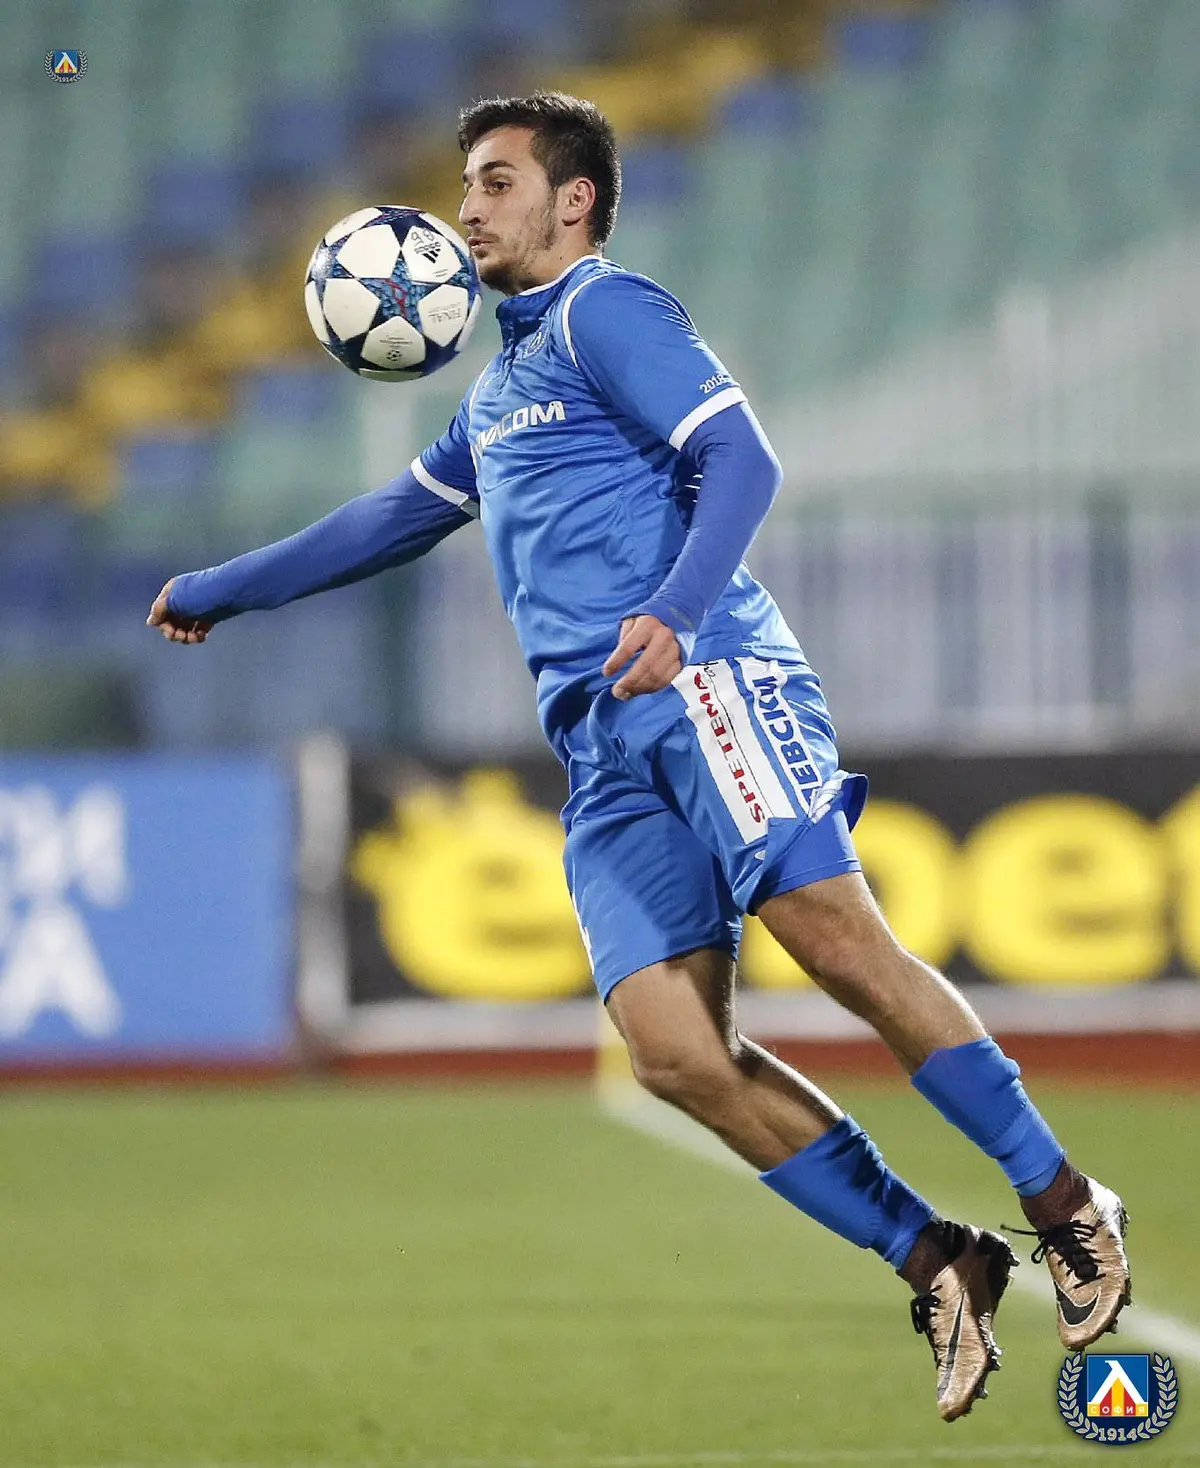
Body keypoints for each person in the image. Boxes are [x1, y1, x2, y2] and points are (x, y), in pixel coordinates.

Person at [148, 91, 1131, 1422]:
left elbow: (741, 455)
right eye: (465, 183)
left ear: (575, 203)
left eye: (496, 181)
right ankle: (935, 1255)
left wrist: (672, 610)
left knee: (836, 940)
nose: (467, 207)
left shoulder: (607, 314)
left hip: (707, 675)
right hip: (605, 742)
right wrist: (220, 588)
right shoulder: (499, 391)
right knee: (671, 1050)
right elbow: (389, 517)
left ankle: (1065, 1203)